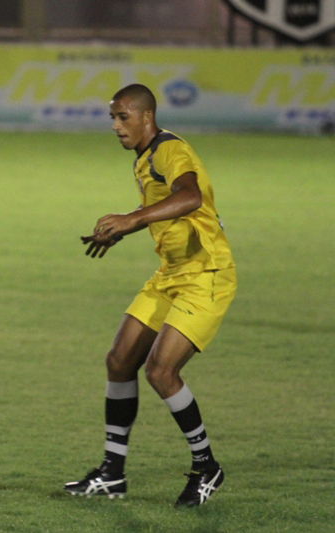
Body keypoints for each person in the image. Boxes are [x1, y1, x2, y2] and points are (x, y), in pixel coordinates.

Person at [64, 84, 236, 507]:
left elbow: (190, 195)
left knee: (161, 370)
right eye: (112, 117)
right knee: (120, 359)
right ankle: (112, 474)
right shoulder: (144, 159)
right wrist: (127, 228)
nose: (116, 126)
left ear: (146, 117)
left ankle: (206, 466)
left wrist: (133, 218)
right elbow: (169, 208)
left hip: (206, 272)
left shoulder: (168, 149)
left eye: (122, 117)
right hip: (172, 273)